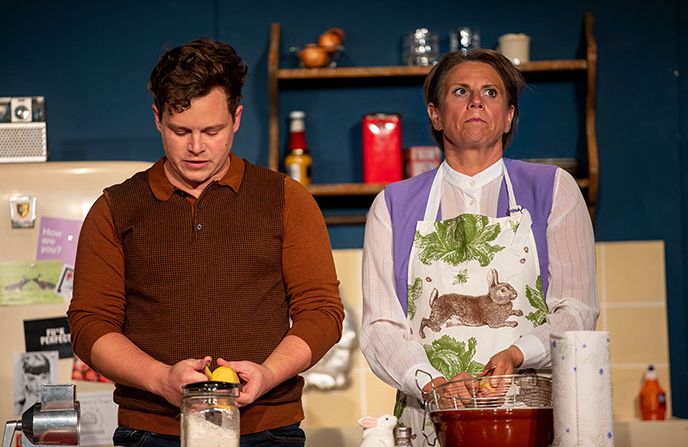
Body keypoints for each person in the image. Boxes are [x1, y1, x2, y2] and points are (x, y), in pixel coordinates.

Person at [67, 37, 344, 447]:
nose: (196, 147)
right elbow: (90, 324)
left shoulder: (285, 198)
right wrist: (161, 379)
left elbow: (322, 311)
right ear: (158, 118)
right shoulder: (116, 208)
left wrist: (268, 373)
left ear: (237, 118)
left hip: (265, 429)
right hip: (152, 432)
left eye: (212, 130)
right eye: (181, 131)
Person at [360, 49, 598, 444]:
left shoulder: (554, 190)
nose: (476, 101)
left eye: (490, 92)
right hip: (431, 419)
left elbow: (577, 311)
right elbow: (379, 327)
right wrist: (432, 383)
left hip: (529, 417)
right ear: (435, 115)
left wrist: (517, 353)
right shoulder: (392, 206)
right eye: (460, 91)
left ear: (508, 116)